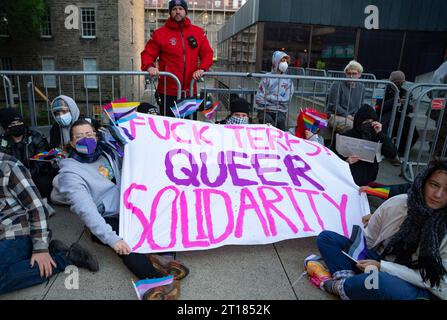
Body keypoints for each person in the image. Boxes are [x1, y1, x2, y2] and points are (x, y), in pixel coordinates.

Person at [58, 119, 188, 299]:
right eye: (79, 137)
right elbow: (86, 210)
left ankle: (161, 257)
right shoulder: (70, 172)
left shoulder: (107, 151)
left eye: (89, 134)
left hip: (128, 207)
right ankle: (156, 281)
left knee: (164, 215)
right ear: (71, 143)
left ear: (96, 135)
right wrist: (113, 240)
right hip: (106, 218)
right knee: (127, 246)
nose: (86, 139)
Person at [308, 159, 447, 300]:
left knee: (381, 282)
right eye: (434, 185)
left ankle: (335, 286)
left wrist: (383, 267)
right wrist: (359, 256)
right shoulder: (399, 203)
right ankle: (352, 285)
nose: (438, 195)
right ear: (423, 182)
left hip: (416, 284)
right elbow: (369, 241)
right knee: (327, 239)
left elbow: (435, 281)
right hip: (378, 265)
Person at [0, 151, 98, 296]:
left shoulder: (8, 166)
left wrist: (40, 248)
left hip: (17, 231)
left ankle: (65, 257)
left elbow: (37, 207)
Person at [141, 0, 214, 118]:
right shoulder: (160, 33)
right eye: (174, 9)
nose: (177, 12)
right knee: (169, 127)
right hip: (168, 91)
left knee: (189, 126)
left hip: (190, 90)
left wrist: (202, 68)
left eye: (180, 8)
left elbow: (207, 53)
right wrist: (150, 66)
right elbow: (147, 54)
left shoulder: (198, 32)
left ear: (185, 11)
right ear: (170, 12)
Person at [332, 104, 397, 187]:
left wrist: (381, 134)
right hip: (349, 175)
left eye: (371, 122)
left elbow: (392, 153)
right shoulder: (346, 136)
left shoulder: (377, 135)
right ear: (359, 122)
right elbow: (333, 156)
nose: (368, 124)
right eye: (365, 122)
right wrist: (346, 161)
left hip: (368, 176)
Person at [0, 108, 55, 199]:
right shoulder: (2, 141)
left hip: (35, 175)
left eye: (19, 122)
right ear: (6, 127)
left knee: (44, 186)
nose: (17, 125)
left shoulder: (36, 137)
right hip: (12, 178)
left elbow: (41, 163)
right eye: (13, 124)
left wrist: (24, 177)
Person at [375, 70, 419, 158]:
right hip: (386, 117)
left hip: (400, 116)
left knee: (413, 133)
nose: (400, 84)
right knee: (385, 131)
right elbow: (379, 108)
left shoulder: (406, 92)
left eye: (401, 82)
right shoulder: (382, 91)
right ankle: (387, 152)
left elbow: (408, 110)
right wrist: (395, 100)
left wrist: (406, 104)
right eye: (397, 82)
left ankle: (400, 153)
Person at [256, 50, 294, 131]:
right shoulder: (266, 77)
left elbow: (287, 99)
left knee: (280, 121)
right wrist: (277, 100)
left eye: (286, 61)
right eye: (282, 60)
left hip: (280, 111)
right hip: (264, 110)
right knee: (267, 122)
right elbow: (259, 97)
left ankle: (280, 142)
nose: (285, 63)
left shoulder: (288, 80)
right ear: (276, 61)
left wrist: (269, 98)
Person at [326, 60, 365, 133]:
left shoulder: (361, 87)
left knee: (367, 126)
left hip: (352, 117)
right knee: (352, 126)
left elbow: (361, 106)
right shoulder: (337, 84)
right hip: (334, 116)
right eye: (348, 73)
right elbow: (334, 105)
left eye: (354, 73)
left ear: (359, 75)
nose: (351, 76)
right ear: (345, 74)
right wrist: (348, 116)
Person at [430, 61, 447, 156]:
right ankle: (437, 156)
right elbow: (437, 79)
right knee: (442, 131)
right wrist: (436, 99)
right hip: (443, 103)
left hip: (442, 101)